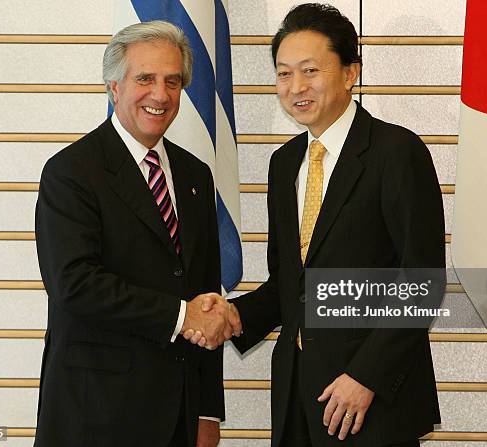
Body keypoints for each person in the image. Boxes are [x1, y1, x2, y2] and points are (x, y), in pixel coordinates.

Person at [187, 3, 444, 446]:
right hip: (297, 396)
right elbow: (289, 283)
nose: (296, 87)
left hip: (371, 403)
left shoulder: (396, 152)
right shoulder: (284, 163)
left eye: (310, 70)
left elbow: (422, 281)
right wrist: (232, 316)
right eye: (284, 73)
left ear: (350, 73)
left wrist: (366, 377)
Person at [33, 21, 236, 447]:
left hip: (179, 416)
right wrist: (181, 317)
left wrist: (206, 409)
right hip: (96, 416)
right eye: (144, 78)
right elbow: (74, 284)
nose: (160, 95)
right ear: (114, 86)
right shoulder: (71, 172)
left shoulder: (195, 175)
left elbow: (203, 292)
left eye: (173, 81)